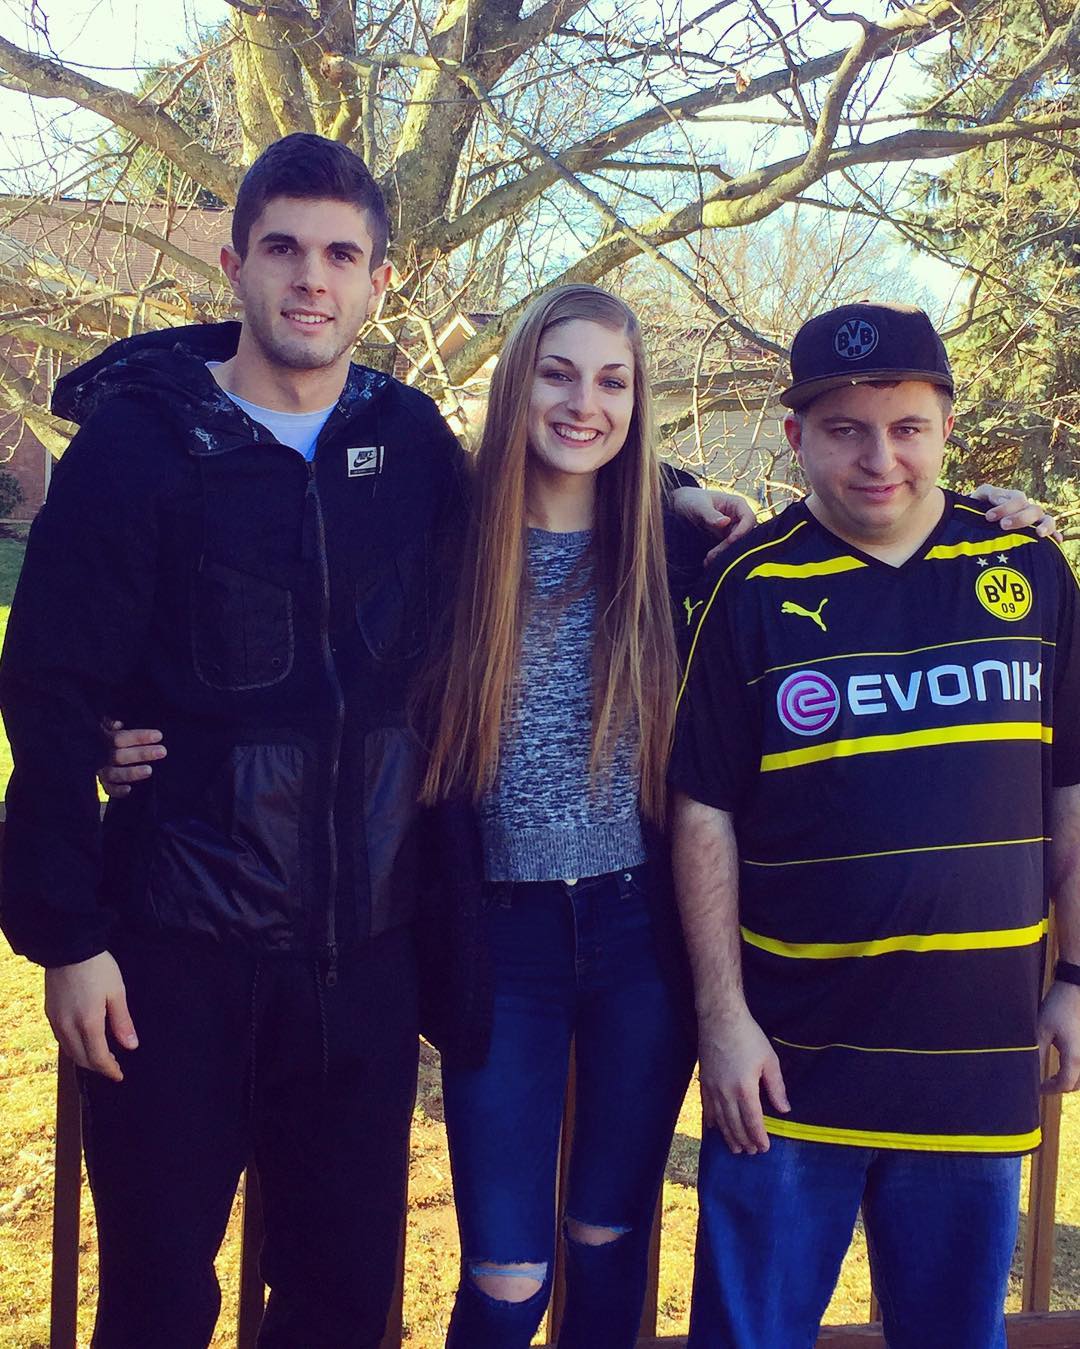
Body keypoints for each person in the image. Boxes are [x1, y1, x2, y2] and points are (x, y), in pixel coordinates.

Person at [0, 132, 468, 1348]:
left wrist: (682, 504)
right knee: (158, 1298)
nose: (312, 276)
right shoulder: (139, 446)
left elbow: (553, 515)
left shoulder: (412, 444)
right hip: (172, 959)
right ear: (235, 264)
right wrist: (69, 939)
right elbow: (50, 690)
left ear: (376, 281)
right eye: (284, 249)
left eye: (340, 254)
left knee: (342, 1302)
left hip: (360, 962)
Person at [670, 301, 1080, 1349]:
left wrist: (1076, 977)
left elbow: (1071, 788)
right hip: (788, 1070)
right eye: (846, 428)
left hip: (974, 1064)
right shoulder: (747, 586)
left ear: (946, 424)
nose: (879, 456)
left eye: (905, 425)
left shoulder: (1030, 573)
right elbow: (702, 808)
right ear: (799, 435)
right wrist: (723, 1017)